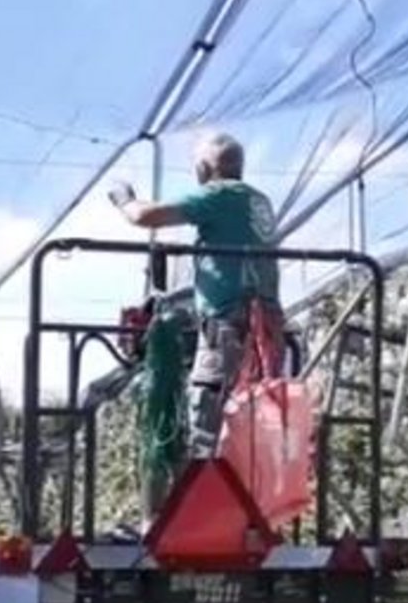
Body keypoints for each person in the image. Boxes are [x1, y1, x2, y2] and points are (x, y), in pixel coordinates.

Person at [108, 133, 283, 462]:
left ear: (204, 168)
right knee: (254, 422)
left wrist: (125, 199)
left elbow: (145, 217)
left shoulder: (219, 194)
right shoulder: (259, 200)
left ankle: (209, 501)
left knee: (209, 420)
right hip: (266, 326)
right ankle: (248, 501)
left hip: (230, 325)